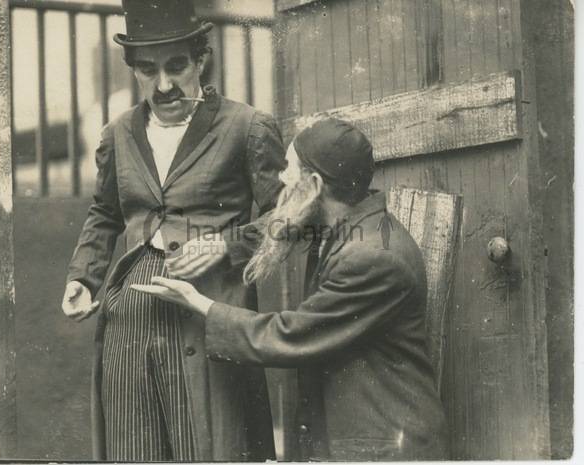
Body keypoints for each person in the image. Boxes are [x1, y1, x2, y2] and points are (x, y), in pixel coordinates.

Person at [134, 118, 451, 461]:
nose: (282, 177)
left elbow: (291, 334)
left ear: (314, 185)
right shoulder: (352, 220)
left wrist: (200, 304)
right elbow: (284, 224)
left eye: (289, 168)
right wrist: (225, 244)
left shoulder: (372, 259)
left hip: (383, 447)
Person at [61, 0, 285, 461]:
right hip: (132, 313)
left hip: (209, 310)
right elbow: (105, 213)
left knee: (209, 446)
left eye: (177, 66)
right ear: (134, 70)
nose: (163, 84)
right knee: (133, 447)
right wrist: (83, 277)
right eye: (148, 69)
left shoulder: (247, 126)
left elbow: (289, 216)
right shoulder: (117, 134)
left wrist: (226, 244)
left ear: (200, 58)